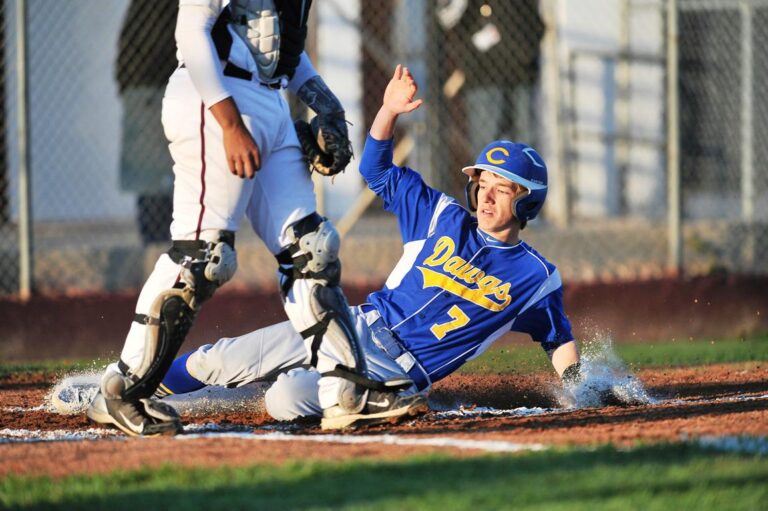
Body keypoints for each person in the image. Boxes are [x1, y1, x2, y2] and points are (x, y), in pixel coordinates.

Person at [149, 64, 583, 422]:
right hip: (349, 326)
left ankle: (369, 403)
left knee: (285, 399)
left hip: (392, 371)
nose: (486, 195)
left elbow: (556, 337)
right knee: (220, 359)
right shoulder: (441, 216)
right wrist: (389, 111)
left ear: (528, 201)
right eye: (483, 182)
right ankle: (122, 386)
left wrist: (583, 388)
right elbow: (377, 170)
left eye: (502, 188)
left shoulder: (535, 276)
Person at [86, 1, 424, 437]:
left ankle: (346, 392)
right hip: (213, 97)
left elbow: (279, 43)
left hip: (270, 100)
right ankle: (124, 389)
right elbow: (191, 31)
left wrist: (326, 103)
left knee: (311, 249)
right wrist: (228, 123)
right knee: (202, 257)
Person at [116, 1, 179, 244]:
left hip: (149, 89)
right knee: (154, 180)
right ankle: (158, 246)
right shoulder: (161, 7)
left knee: (164, 178)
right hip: (151, 90)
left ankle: (162, 244)